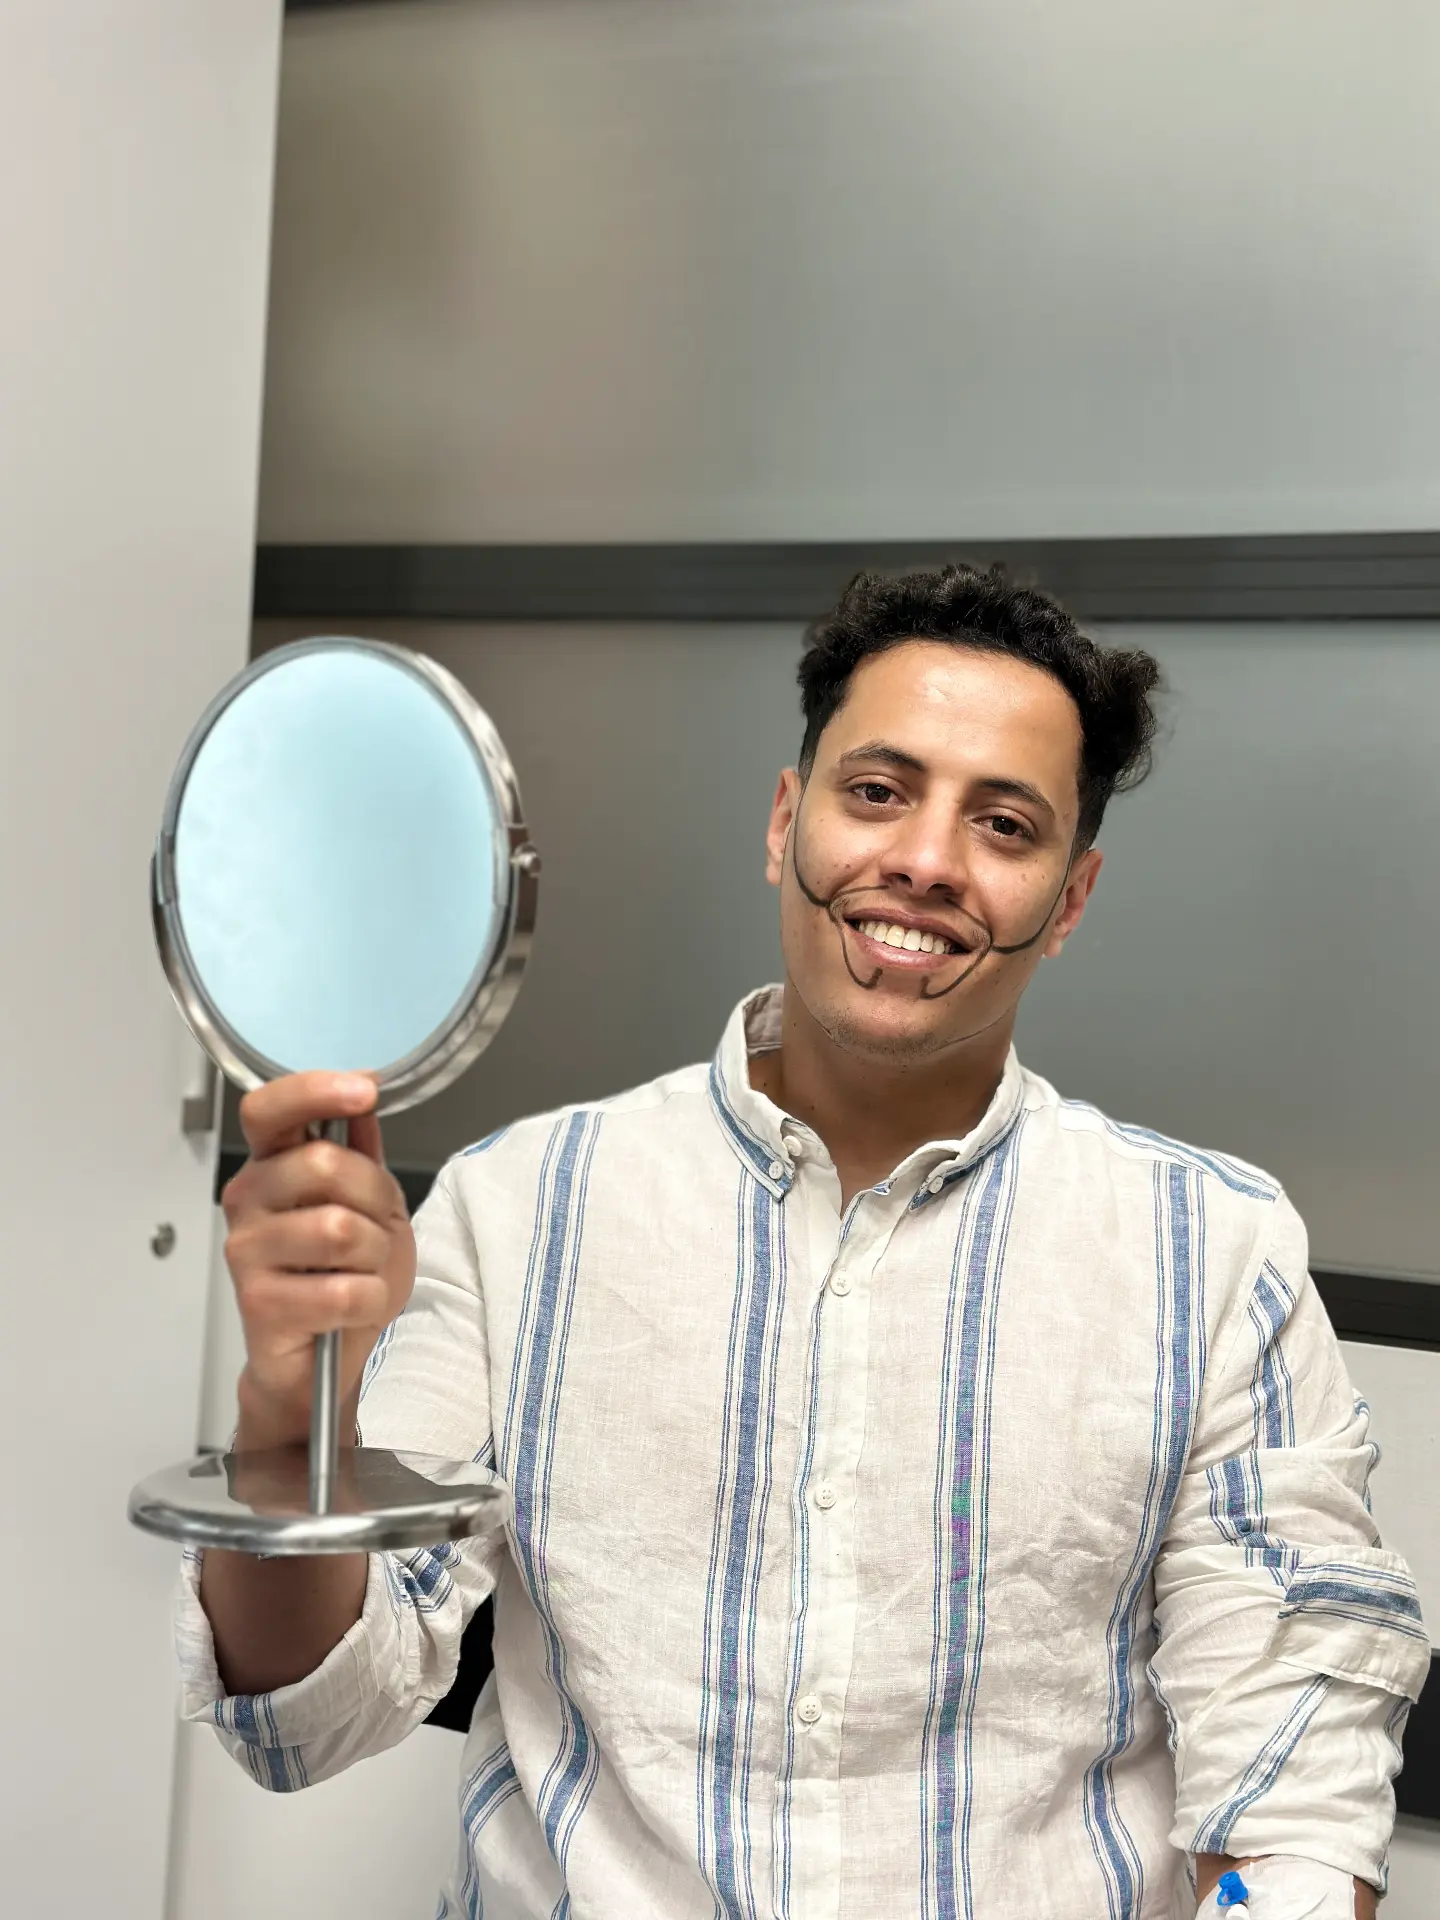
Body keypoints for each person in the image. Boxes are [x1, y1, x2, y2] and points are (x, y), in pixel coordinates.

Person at [181, 564, 1427, 1919]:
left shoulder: (1213, 1258)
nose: (928, 862)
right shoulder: (520, 1206)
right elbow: (305, 1715)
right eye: (878, 792)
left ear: (1068, 900)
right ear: (787, 822)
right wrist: (288, 1408)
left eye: (1004, 824)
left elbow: (1291, 1791)